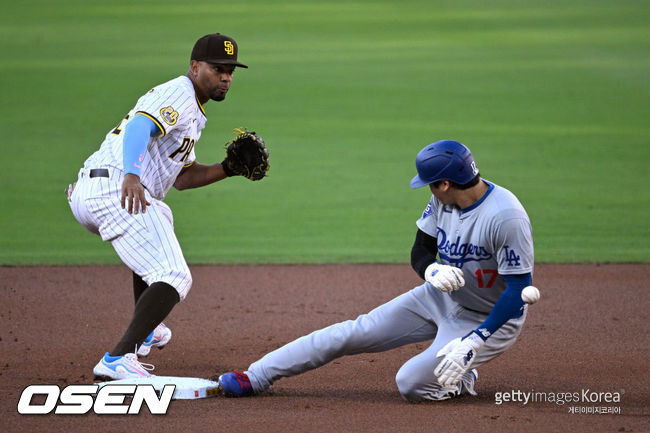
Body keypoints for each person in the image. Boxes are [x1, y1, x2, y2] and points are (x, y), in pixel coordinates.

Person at [217, 140, 534, 402]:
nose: (428, 190)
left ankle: (460, 378)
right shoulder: (443, 201)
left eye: (430, 184)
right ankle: (255, 376)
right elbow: (420, 251)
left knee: (412, 384)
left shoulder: (506, 217)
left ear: (446, 183)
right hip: (442, 297)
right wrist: (431, 271)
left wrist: (474, 341)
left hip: (490, 318)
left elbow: (517, 294)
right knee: (353, 331)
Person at [67, 33, 263, 380]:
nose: (226, 78)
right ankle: (118, 359)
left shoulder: (193, 112)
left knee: (160, 217)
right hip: (115, 187)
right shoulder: (179, 93)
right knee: (174, 275)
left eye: (231, 71)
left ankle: (145, 329)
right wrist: (131, 175)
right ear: (194, 67)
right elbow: (141, 125)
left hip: (102, 189)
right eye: (218, 69)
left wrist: (228, 169)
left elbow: (183, 178)